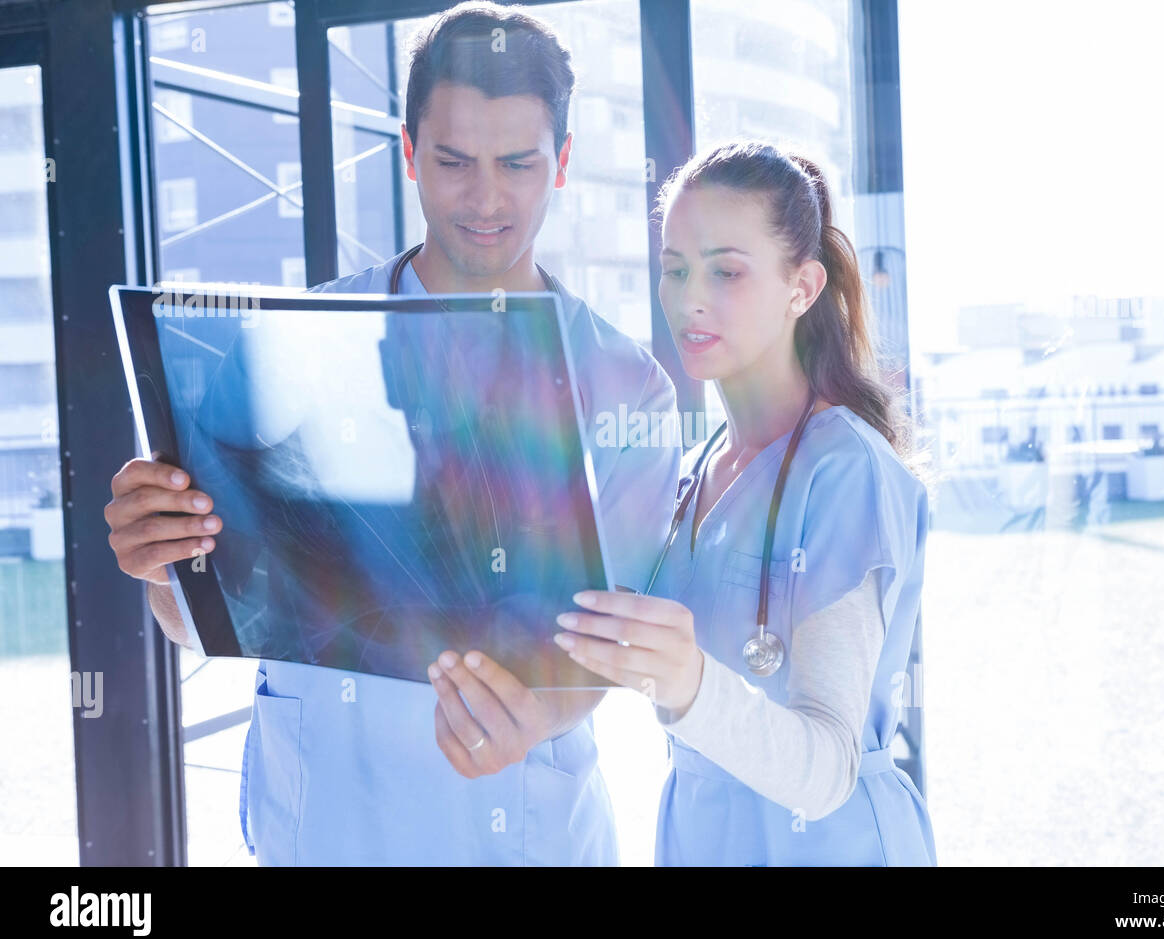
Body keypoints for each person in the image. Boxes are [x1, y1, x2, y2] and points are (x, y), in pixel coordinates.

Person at [102, 1, 680, 865]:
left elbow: (600, 650)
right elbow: (203, 612)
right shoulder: (279, 354)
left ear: (560, 163)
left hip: (517, 829)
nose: (485, 199)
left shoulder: (627, 386)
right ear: (408, 153)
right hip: (324, 822)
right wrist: (157, 561)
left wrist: (532, 717)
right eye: (452, 161)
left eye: (517, 163)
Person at [554, 140, 937, 865]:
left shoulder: (845, 472)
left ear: (803, 287)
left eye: (727, 270)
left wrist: (688, 681)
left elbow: (826, 767)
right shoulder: (695, 470)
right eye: (675, 269)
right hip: (702, 833)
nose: (690, 296)